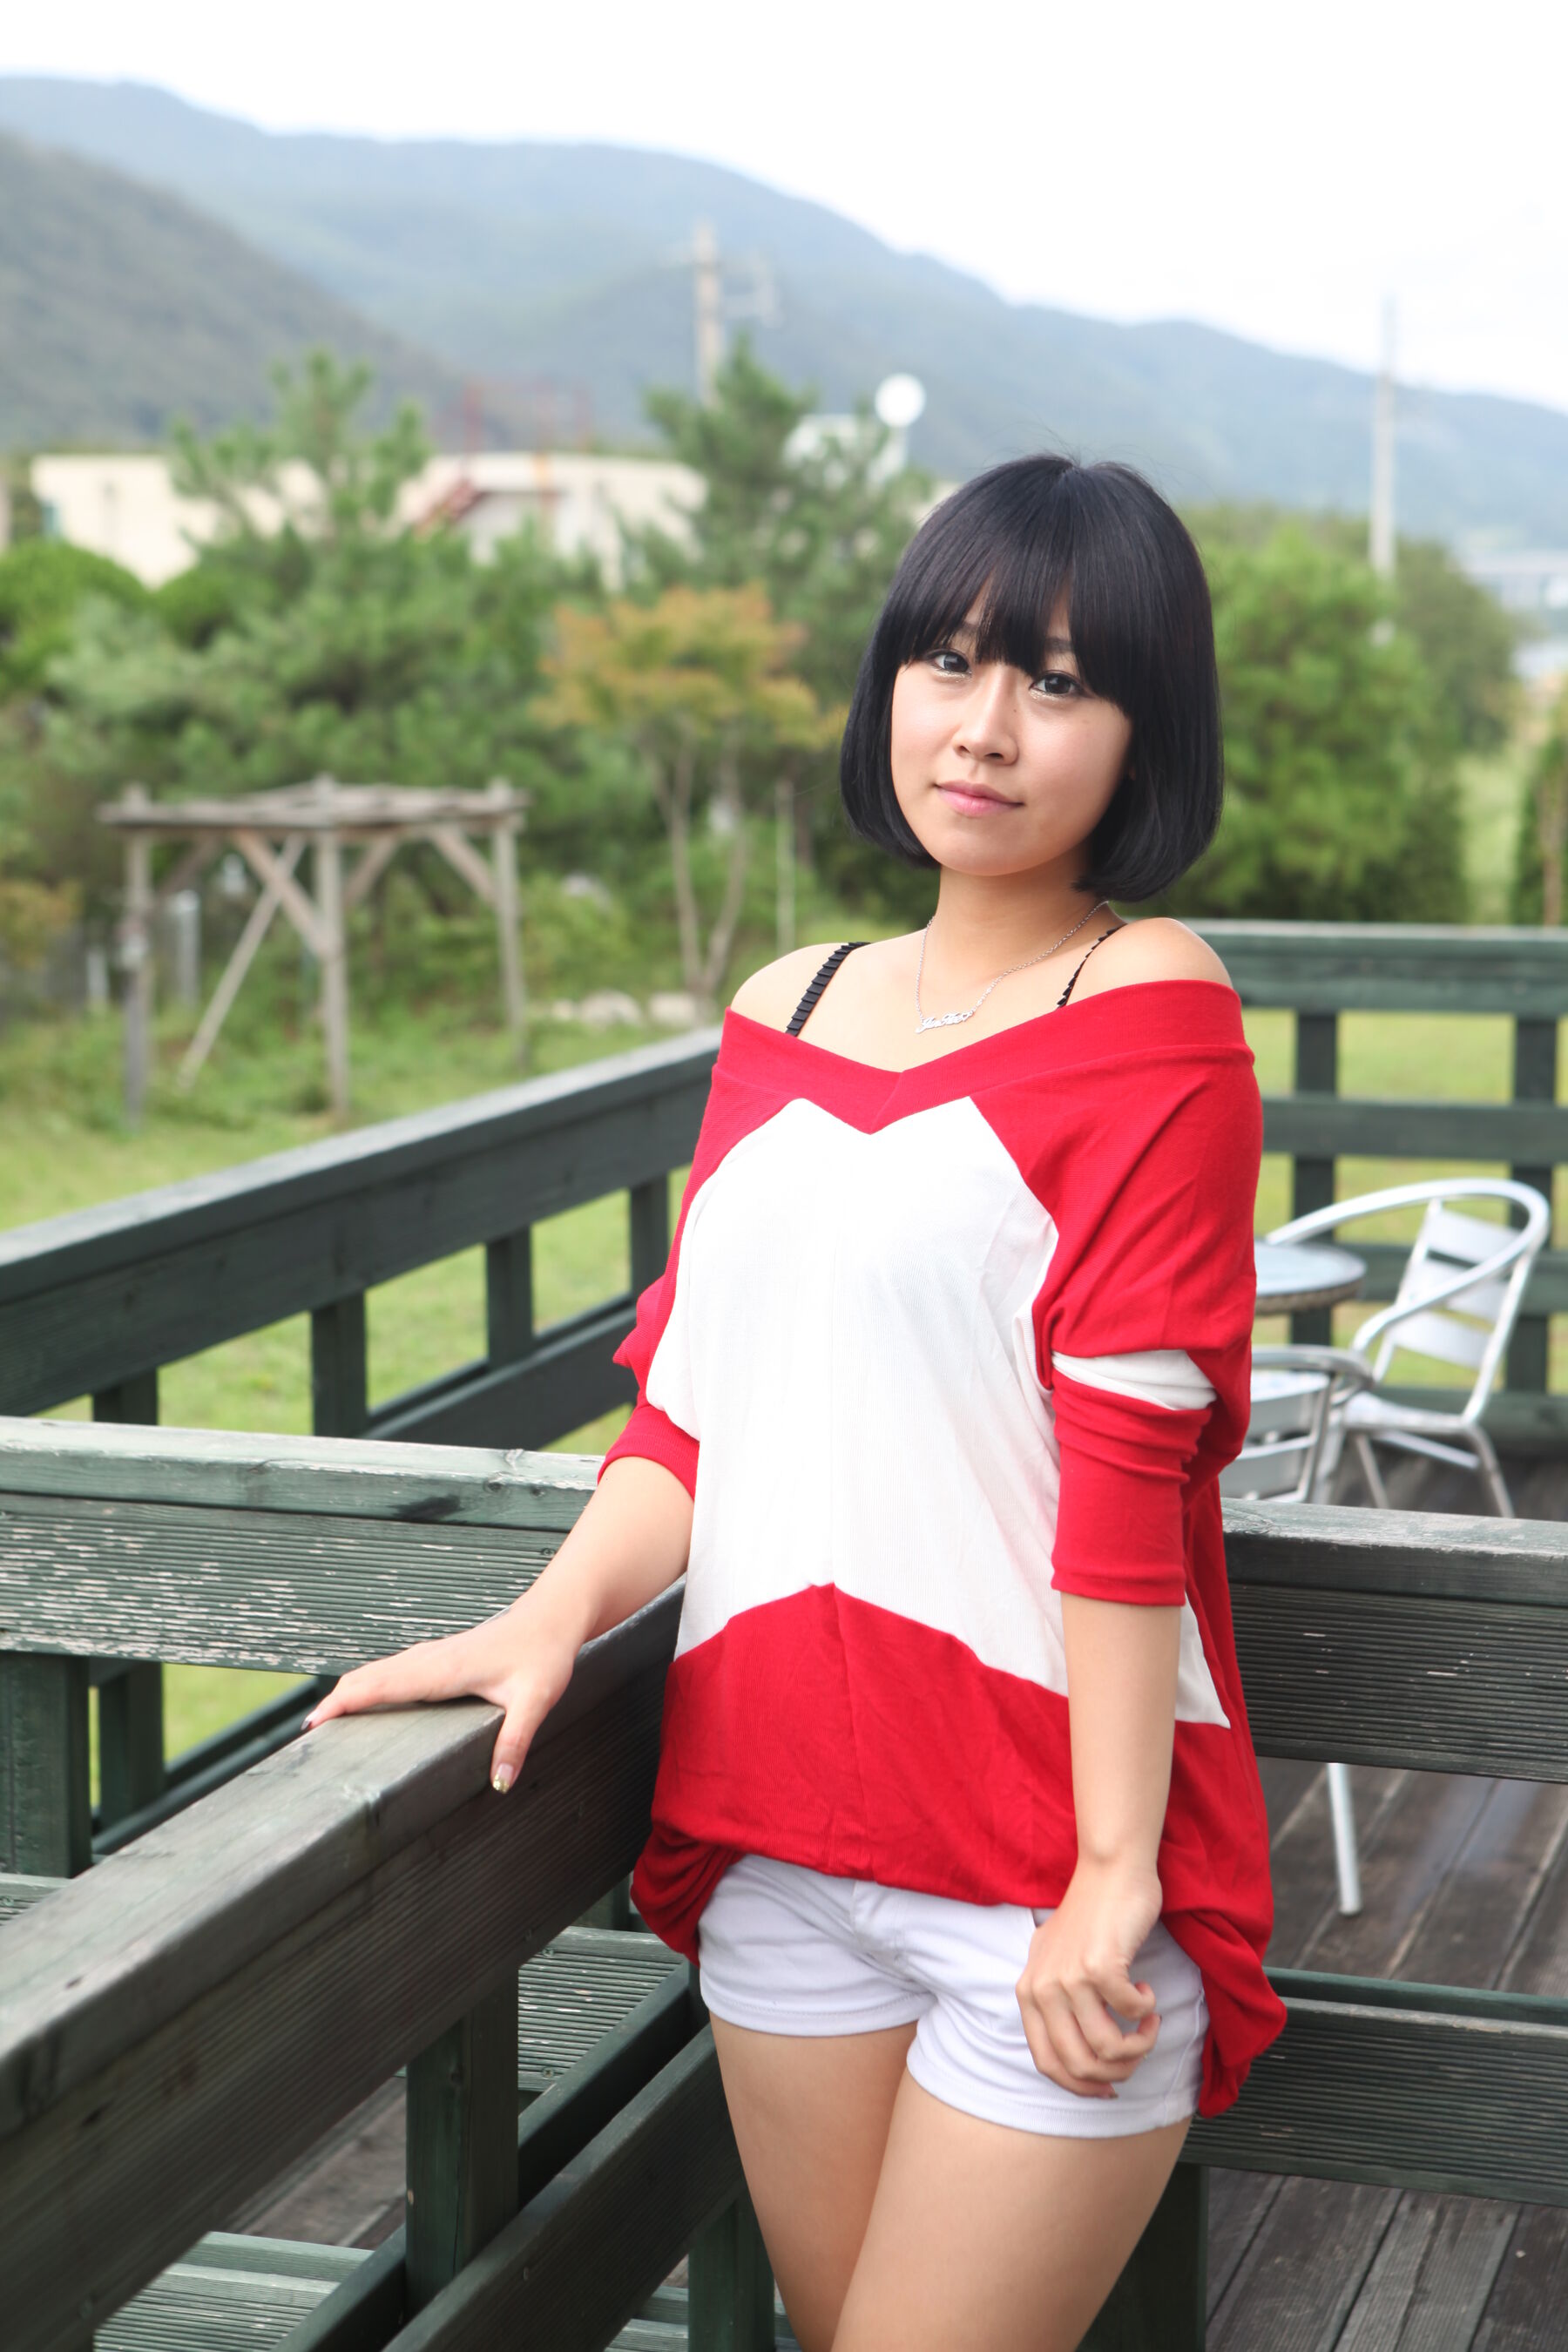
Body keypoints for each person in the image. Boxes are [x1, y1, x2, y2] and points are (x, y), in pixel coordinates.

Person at [306, 453, 1283, 2352]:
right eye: (949, 660)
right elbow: (694, 1412)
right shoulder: (786, 1006)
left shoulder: (1154, 1004)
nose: (984, 727)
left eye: (1060, 683)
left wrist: (1109, 1876)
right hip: (780, 1838)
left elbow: (1126, 1471)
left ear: (1144, 733)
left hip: (1042, 1879)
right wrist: (547, 1618)